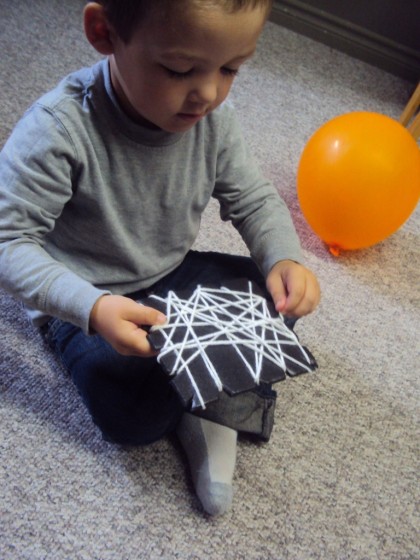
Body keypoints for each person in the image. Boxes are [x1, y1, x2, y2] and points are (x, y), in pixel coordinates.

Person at [0, 0, 320, 516]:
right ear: (104, 33)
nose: (209, 93)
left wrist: (285, 258)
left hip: (172, 272)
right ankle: (211, 403)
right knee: (125, 413)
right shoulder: (58, 130)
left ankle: (203, 401)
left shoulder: (213, 120)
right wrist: (93, 308)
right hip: (94, 300)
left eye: (231, 68)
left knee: (275, 300)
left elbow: (254, 197)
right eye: (178, 69)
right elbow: (8, 242)